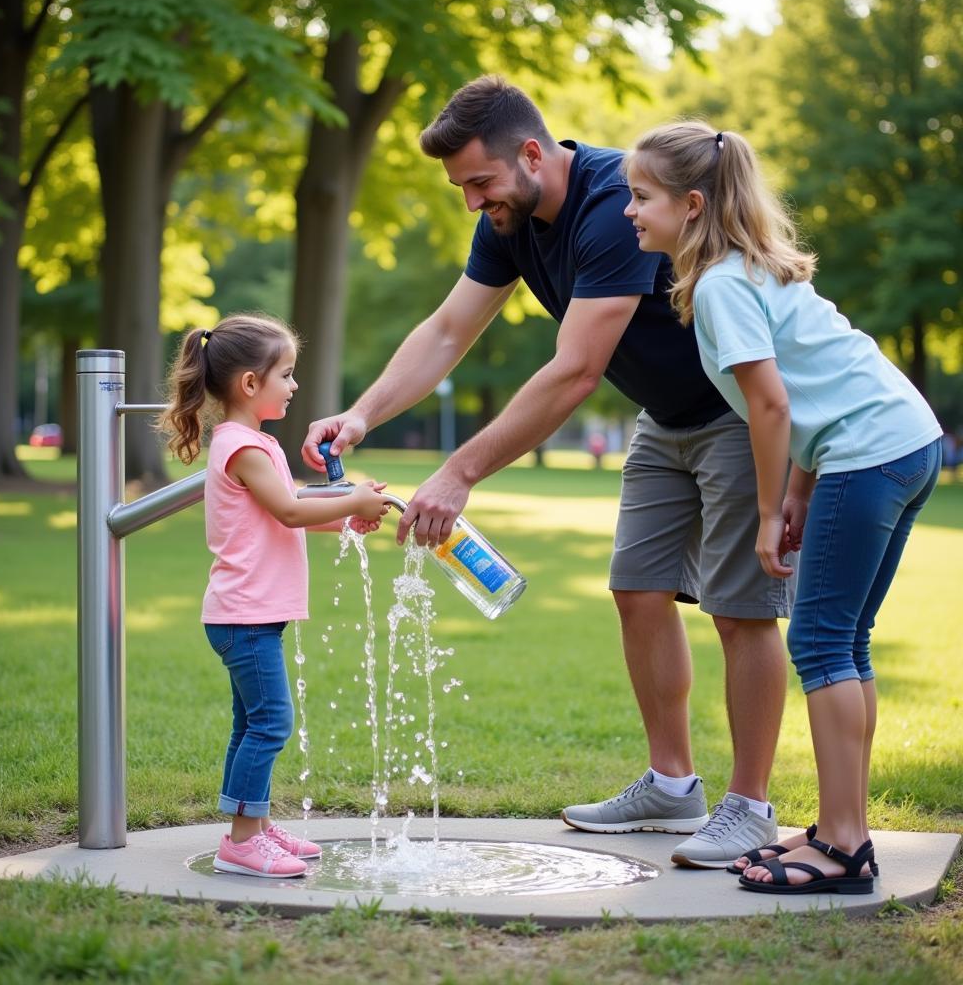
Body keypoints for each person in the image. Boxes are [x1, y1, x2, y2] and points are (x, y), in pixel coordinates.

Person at [302, 75, 794, 869]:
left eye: (479, 181)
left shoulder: (610, 205)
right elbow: (447, 329)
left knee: (740, 610)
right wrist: (360, 416)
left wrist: (459, 472)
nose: (471, 201)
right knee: (638, 591)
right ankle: (673, 787)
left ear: (532, 153)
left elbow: (575, 370)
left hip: (737, 414)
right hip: (663, 419)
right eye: (462, 186)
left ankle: (749, 807)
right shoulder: (510, 218)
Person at [622, 121, 941, 893]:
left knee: (823, 644)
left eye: (641, 197)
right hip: (907, 440)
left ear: (691, 206)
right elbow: (802, 396)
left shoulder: (724, 285)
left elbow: (768, 407)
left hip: (867, 452)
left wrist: (769, 512)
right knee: (849, 642)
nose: (629, 211)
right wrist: (798, 490)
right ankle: (844, 829)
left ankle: (840, 848)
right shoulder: (753, 268)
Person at [161, 313, 390, 879]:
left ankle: (254, 825)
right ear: (248, 384)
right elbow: (289, 509)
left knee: (251, 724)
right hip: (244, 616)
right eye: (286, 375)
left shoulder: (250, 443)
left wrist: (345, 520)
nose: (293, 386)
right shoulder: (243, 448)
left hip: (251, 615)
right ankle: (241, 843)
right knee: (270, 725)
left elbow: (288, 516)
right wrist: (350, 501)